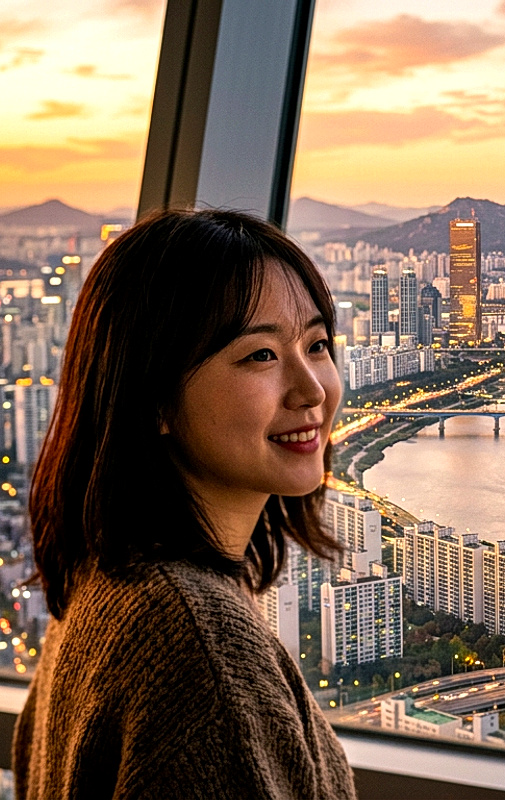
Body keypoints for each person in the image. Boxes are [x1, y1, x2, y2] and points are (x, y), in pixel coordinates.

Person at [14, 209, 357, 799]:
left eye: (317, 344)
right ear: (155, 400)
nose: (312, 390)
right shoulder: (203, 650)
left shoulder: (108, 579)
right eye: (260, 355)